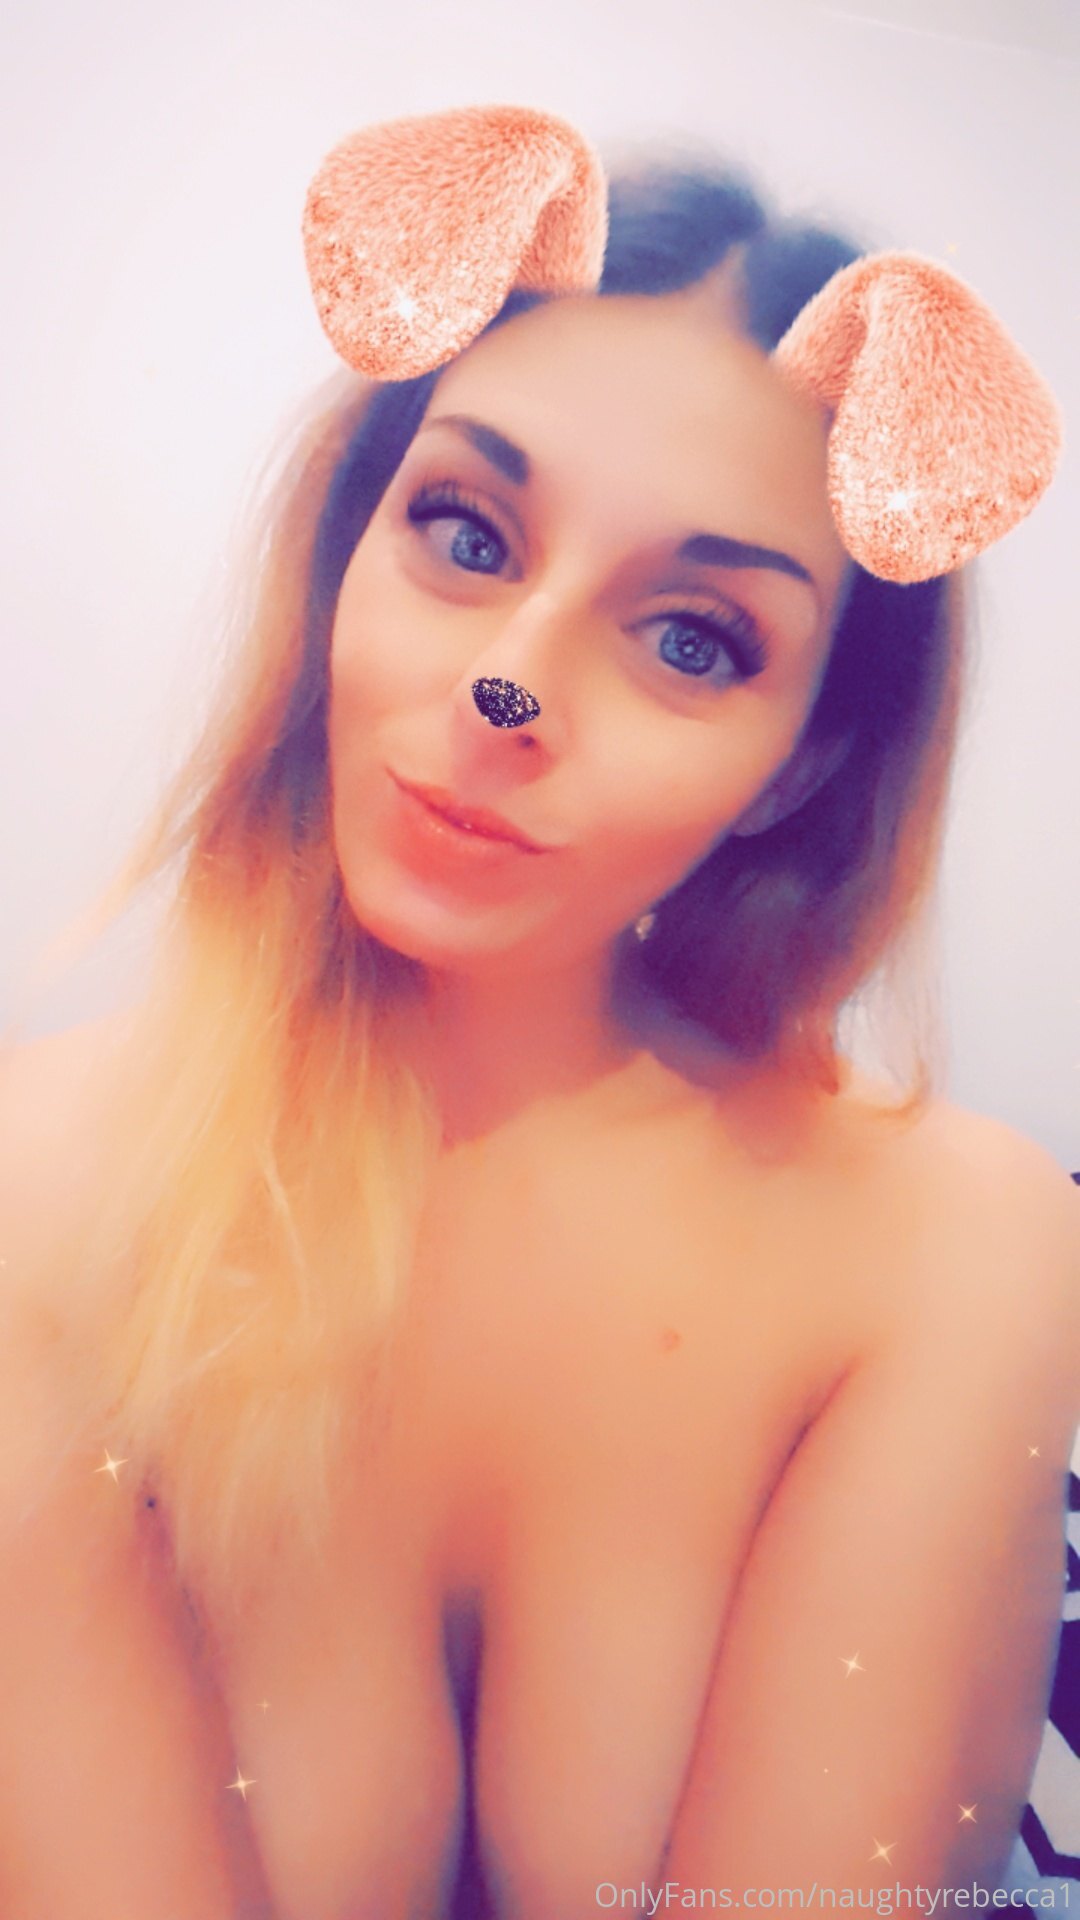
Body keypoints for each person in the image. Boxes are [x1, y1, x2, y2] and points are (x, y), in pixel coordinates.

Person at [0, 102, 1077, 1920]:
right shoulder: (40, 1190)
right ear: (346, 557)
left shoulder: (958, 1247)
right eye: (466, 531)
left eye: (692, 639)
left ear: (803, 765)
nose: (511, 682)